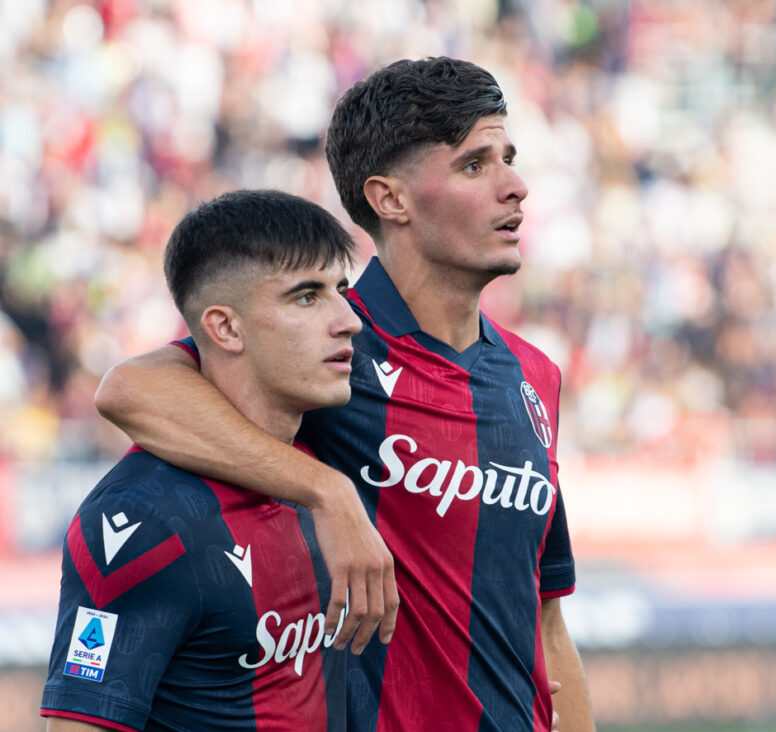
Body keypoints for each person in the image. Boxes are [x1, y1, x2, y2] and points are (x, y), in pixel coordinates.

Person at [96, 56, 595, 731]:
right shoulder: (326, 351)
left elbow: (547, 621)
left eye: (509, 157)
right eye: (476, 165)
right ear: (391, 200)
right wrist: (326, 491)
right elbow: (131, 389)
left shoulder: (536, 374)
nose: (517, 187)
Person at [41, 189, 362, 730]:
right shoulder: (141, 517)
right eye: (307, 297)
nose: (349, 319)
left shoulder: (325, 453)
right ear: (226, 328)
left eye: (341, 290)